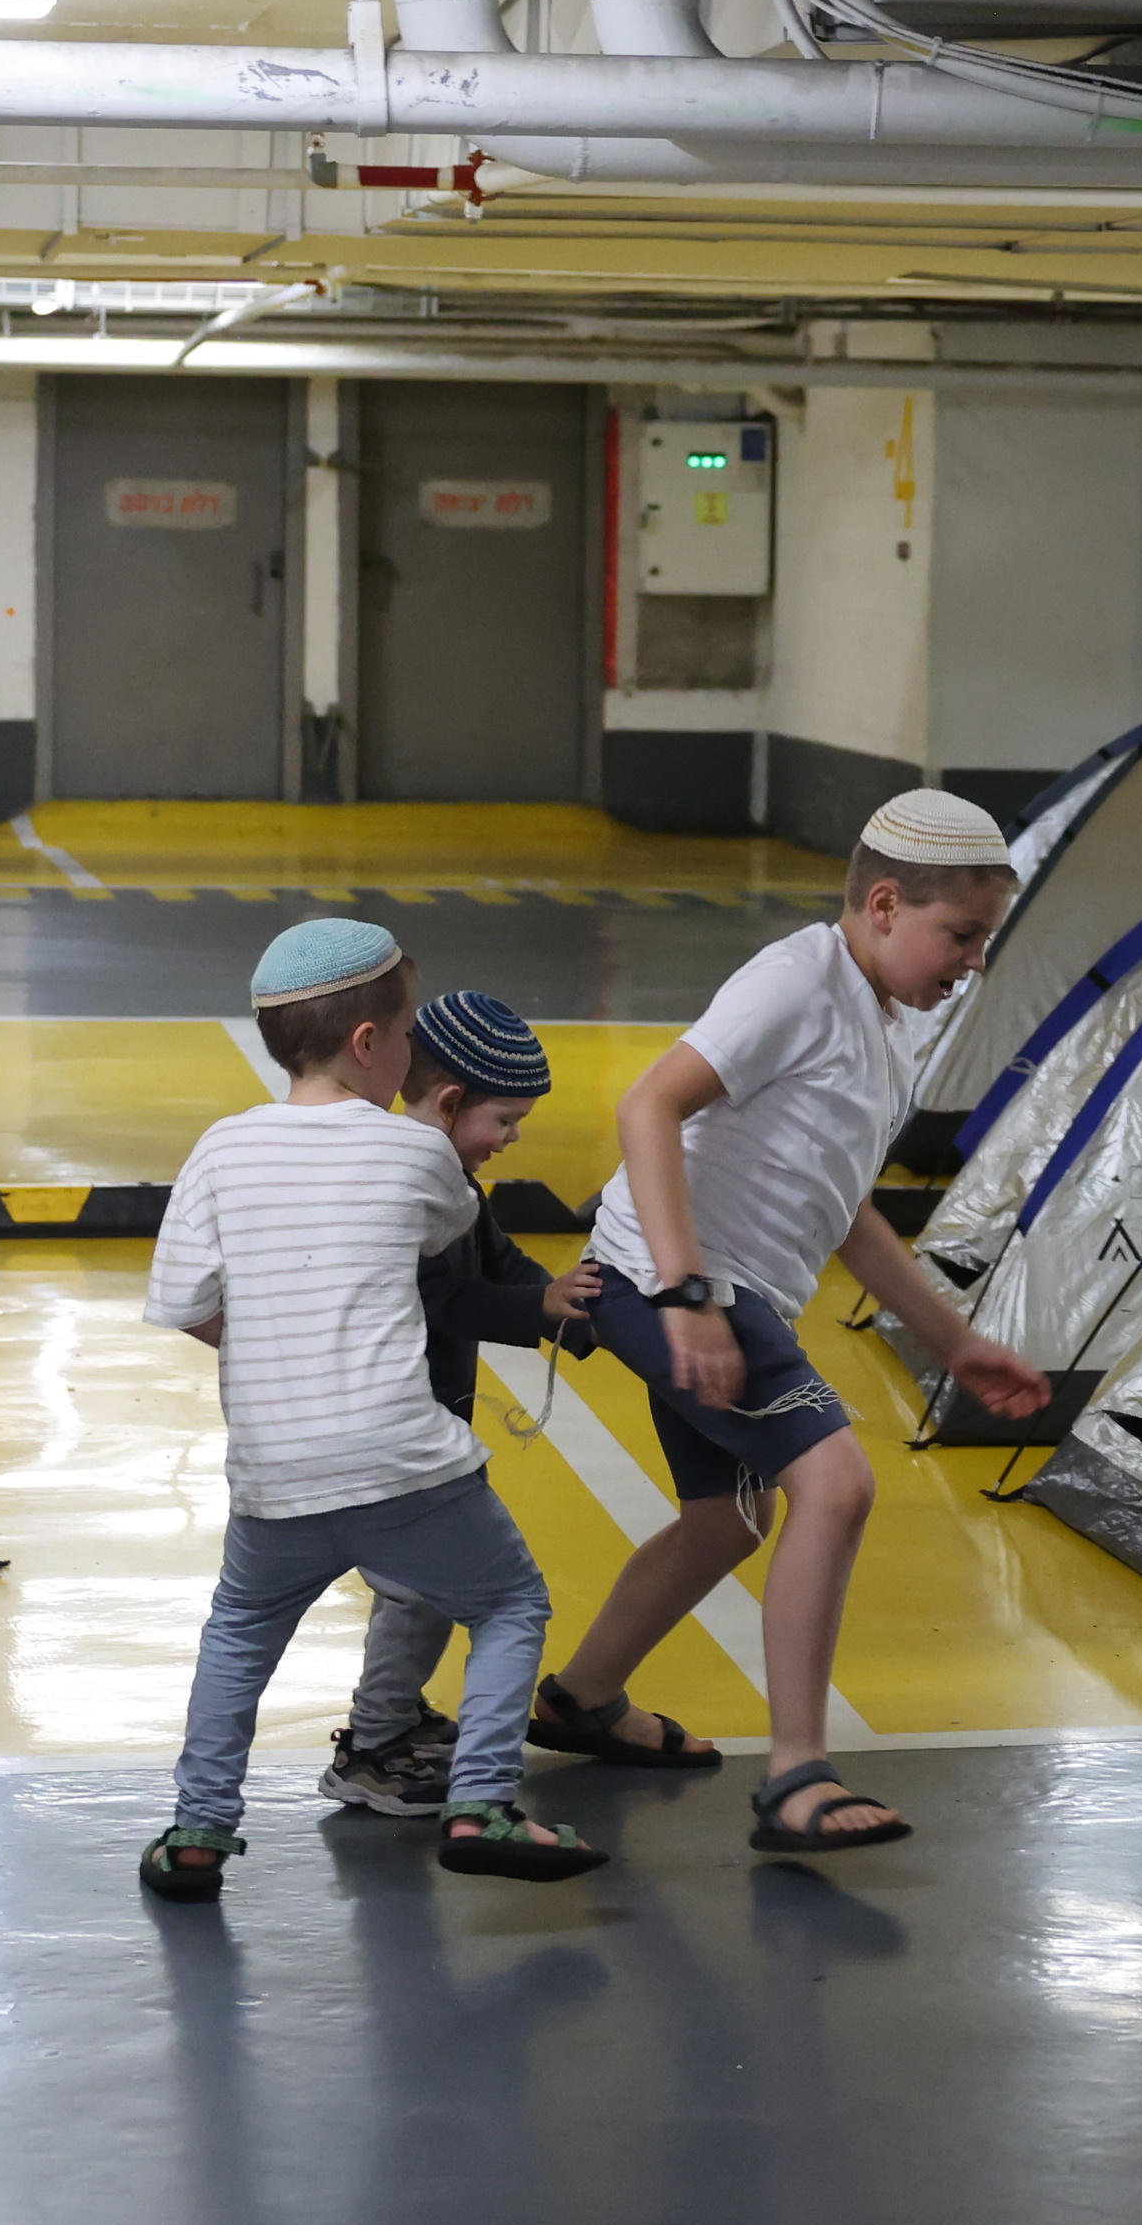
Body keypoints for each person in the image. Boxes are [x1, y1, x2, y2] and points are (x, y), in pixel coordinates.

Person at [540, 789, 1052, 1854]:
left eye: (983, 940)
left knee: (729, 1520)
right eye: (961, 936)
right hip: (671, 1282)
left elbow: (843, 1209)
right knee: (836, 1480)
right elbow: (650, 1104)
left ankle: (581, 1700)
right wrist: (687, 1296)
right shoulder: (795, 981)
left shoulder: (882, 1023)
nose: (972, 962)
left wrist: (951, 1339)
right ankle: (796, 1776)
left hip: (722, 1293)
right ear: (881, 904)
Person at [139, 922, 610, 1902]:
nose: (409, 1056)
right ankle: (481, 1799)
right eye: (405, 1034)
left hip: (273, 1472)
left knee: (238, 1634)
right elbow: (446, 1233)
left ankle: (198, 1830)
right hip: (402, 1458)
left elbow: (184, 1303)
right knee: (510, 1603)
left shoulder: (220, 1149)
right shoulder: (415, 1153)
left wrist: (274, 1343)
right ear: (367, 1043)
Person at [322, 988, 606, 1822]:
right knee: (419, 1587)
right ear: (449, 1102)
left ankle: (394, 1717)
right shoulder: (402, 1182)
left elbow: (497, 1258)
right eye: (505, 1122)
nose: (510, 1141)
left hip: (422, 1428)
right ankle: (372, 1750)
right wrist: (537, 1311)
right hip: (382, 1431)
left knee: (421, 1588)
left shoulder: (450, 1178)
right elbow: (442, 1297)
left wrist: (567, 1309)